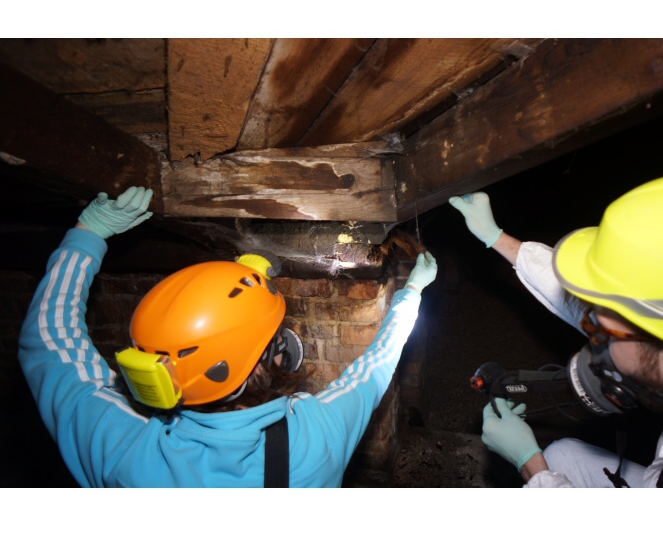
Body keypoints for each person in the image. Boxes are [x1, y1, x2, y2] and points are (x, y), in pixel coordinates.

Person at [18, 186, 437, 487]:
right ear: (273, 359)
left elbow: (47, 341)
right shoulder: (314, 437)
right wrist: (412, 293)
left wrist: (89, 230)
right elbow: (374, 367)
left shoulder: (121, 447)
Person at [450, 171, 663, 487]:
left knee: (550, 464)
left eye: (599, 330)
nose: (590, 325)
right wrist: (497, 237)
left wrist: (532, 467)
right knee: (562, 457)